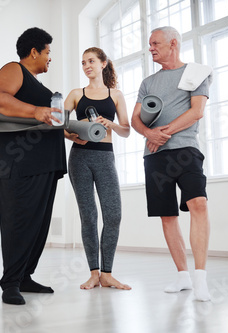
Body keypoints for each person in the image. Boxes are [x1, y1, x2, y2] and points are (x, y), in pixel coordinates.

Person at [131, 26, 212, 301]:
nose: (150, 47)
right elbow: (135, 120)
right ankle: (183, 277)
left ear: (172, 43)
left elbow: (196, 111)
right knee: (167, 215)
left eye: (155, 43)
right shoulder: (148, 82)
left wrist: (162, 133)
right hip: (154, 155)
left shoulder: (196, 73)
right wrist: (149, 133)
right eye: (149, 44)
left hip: (186, 150)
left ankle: (200, 278)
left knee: (198, 204)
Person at [0, 27, 67, 305]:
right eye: (48, 52)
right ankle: (10, 282)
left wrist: (67, 130)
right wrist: (36, 111)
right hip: (19, 163)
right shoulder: (14, 69)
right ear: (34, 52)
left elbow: (45, 119)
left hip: (43, 164)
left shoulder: (36, 83)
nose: (49, 58)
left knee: (38, 225)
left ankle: (24, 276)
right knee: (18, 223)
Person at [64, 47, 131, 290]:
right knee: (89, 216)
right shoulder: (75, 94)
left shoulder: (116, 95)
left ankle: (108, 274)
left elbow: (126, 130)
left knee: (113, 215)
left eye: (91, 61)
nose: (86, 66)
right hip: (80, 158)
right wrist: (74, 135)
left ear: (103, 64)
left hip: (105, 157)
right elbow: (58, 125)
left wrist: (109, 123)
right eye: (83, 62)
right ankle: (94, 273)